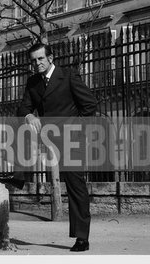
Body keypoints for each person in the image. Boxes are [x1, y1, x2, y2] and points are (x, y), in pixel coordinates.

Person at [17, 43, 97, 252]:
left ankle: (82, 238)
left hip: (71, 138)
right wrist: (29, 115)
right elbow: (23, 108)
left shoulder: (68, 75)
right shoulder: (33, 82)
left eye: (41, 59)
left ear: (50, 58)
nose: (37, 63)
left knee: (75, 184)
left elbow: (89, 105)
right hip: (46, 138)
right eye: (33, 60)